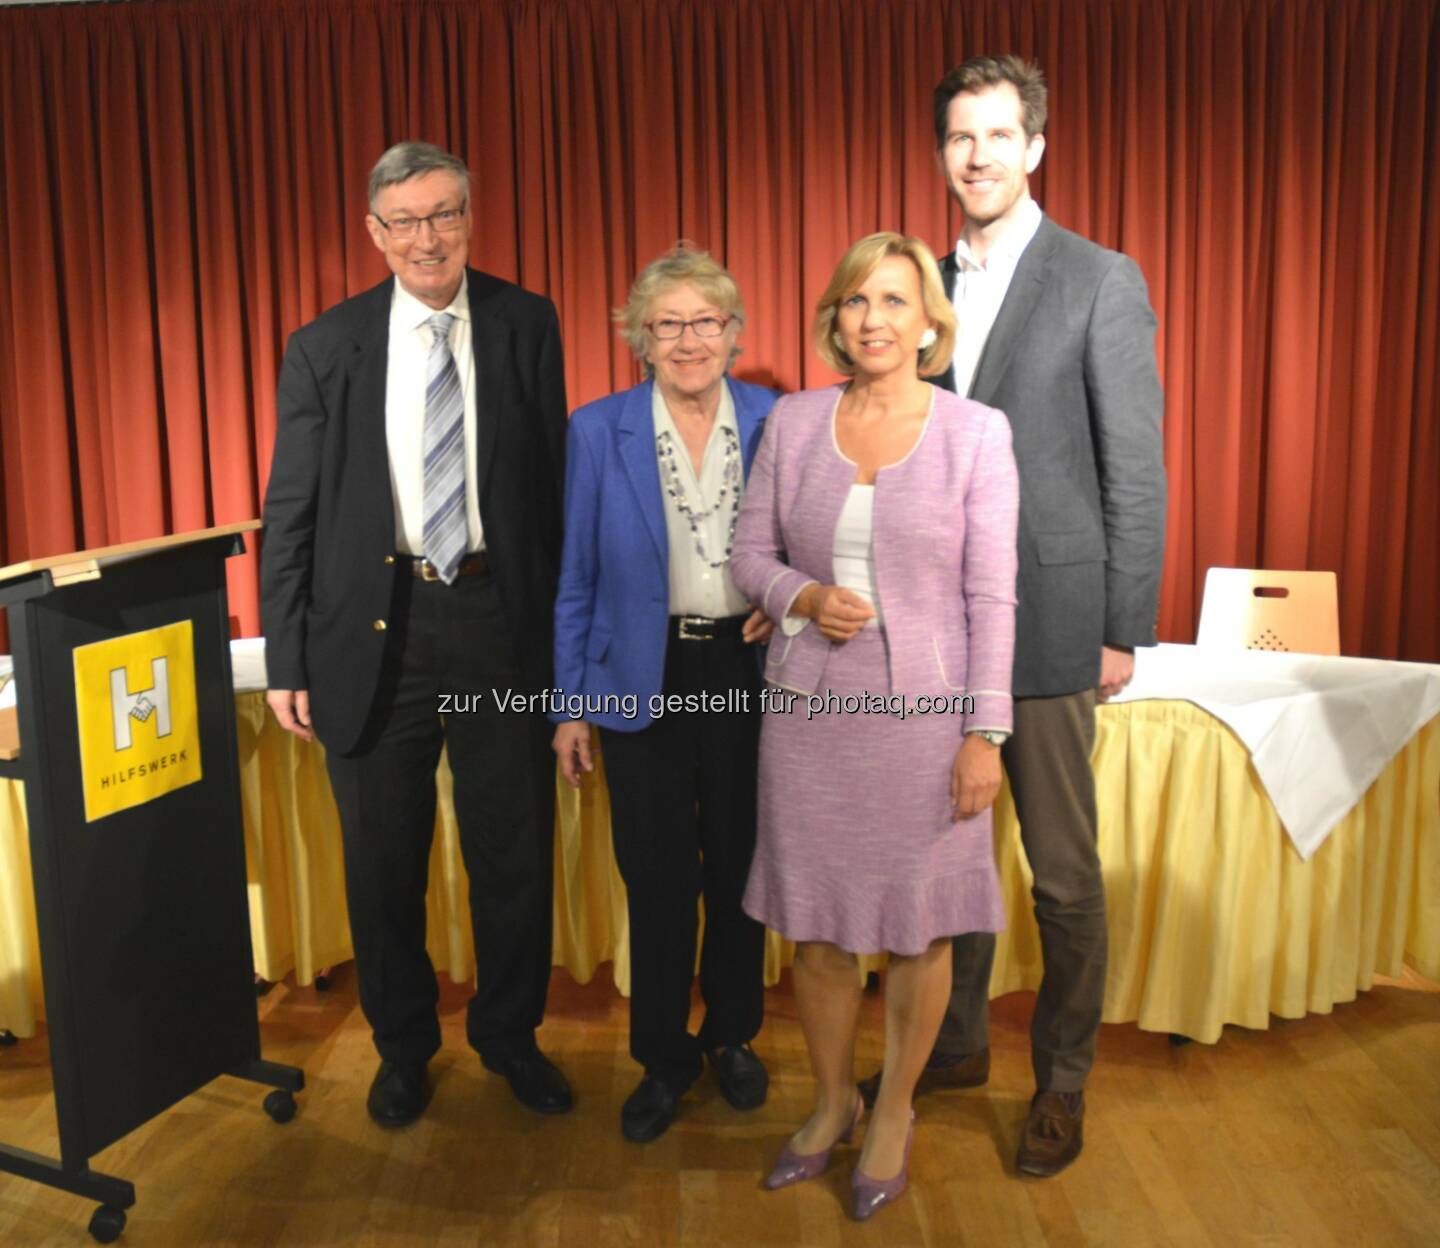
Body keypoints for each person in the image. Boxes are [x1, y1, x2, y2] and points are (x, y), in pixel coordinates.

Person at [867, 54, 1167, 1177]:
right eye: (959, 137)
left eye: (998, 135)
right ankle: (951, 1048)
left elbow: (1134, 466)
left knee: (1063, 873)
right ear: (941, 152)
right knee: (950, 860)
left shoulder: (1098, 278)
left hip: (1049, 624)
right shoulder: (916, 284)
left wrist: (1120, 625)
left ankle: (1063, 1083)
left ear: (1036, 146)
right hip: (931, 629)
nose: (977, 156)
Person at [261, 141, 573, 1128]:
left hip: (496, 619)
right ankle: (402, 1046)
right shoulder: (325, 346)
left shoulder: (528, 322)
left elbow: (551, 495)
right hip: (372, 635)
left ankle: (511, 1036)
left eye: (442, 215)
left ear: (470, 216)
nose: (425, 238)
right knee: (384, 862)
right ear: (374, 233)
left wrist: (568, 655)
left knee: (513, 854)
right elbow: (293, 509)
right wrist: (286, 656)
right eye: (403, 221)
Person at [729, 232, 1019, 1221]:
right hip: (810, 712)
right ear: (834, 320)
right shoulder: (798, 421)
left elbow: (995, 595)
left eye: (895, 300)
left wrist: (984, 733)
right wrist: (803, 595)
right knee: (813, 931)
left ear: (930, 320)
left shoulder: (977, 433)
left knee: (917, 929)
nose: (875, 320)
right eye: (857, 301)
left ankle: (891, 1107)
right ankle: (830, 1102)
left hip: (927, 724)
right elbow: (747, 551)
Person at [552, 246, 777, 1143]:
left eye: (706, 321)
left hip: (746, 674)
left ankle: (731, 1039)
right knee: (655, 878)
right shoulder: (594, 428)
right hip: (637, 680)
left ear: (733, 330)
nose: (690, 340)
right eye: (669, 323)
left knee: (737, 867)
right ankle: (662, 1058)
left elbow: (812, 537)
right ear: (640, 338)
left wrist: (784, 598)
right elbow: (575, 576)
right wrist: (569, 703)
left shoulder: (779, 418)